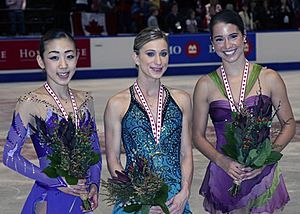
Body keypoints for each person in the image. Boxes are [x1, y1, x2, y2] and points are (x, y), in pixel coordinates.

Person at [192, 9, 296, 213]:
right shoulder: (205, 85)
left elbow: (289, 123)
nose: (227, 45)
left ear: (244, 37)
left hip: (262, 175)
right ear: (212, 44)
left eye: (233, 36)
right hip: (224, 173)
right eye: (219, 39)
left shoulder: (269, 78)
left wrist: (266, 158)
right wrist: (222, 161)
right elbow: (197, 135)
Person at [2, 29, 102, 213]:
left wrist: (94, 184)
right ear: (41, 61)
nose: (63, 65)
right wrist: (56, 181)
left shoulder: (86, 101)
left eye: (69, 56)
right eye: (54, 57)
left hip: (80, 197)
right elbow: (9, 156)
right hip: (48, 198)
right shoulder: (30, 103)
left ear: (77, 57)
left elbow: (94, 150)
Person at [104, 26, 193, 214]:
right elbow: (113, 158)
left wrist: (185, 192)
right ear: (136, 57)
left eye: (163, 54)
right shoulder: (117, 104)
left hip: (175, 200)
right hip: (134, 199)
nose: (158, 61)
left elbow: (185, 153)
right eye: (150, 54)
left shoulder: (182, 100)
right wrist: (136, 196)